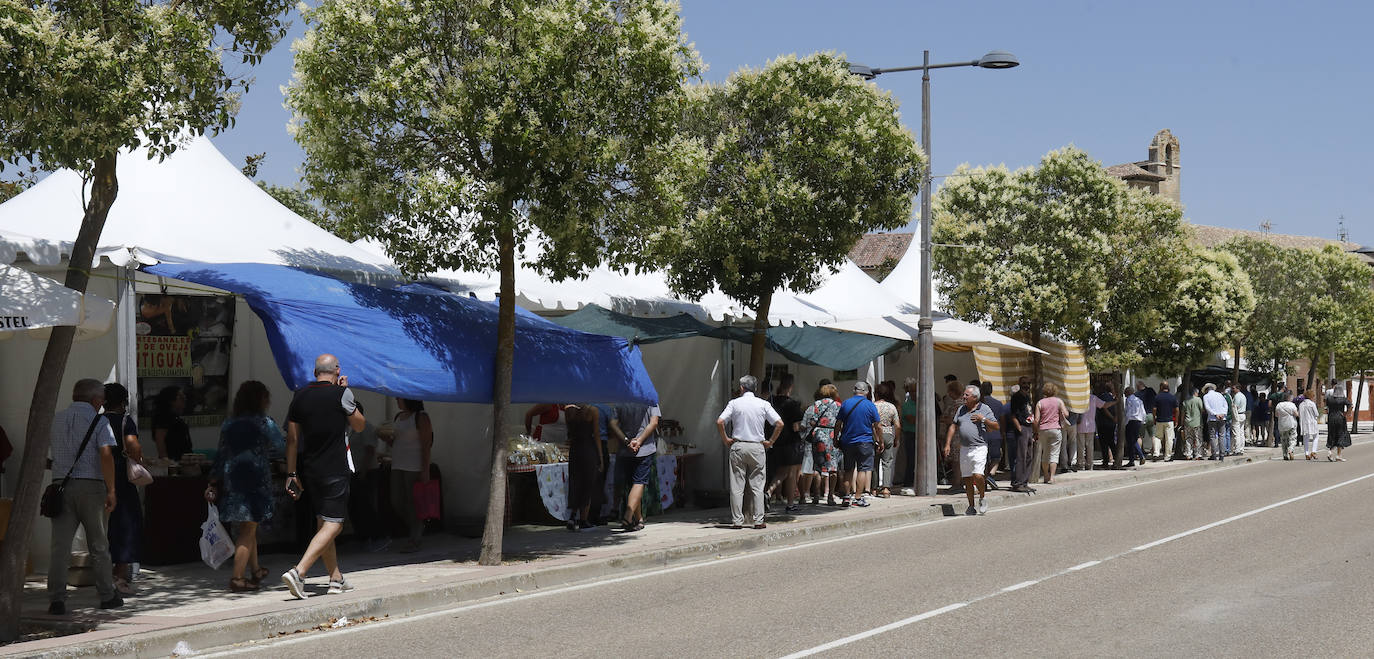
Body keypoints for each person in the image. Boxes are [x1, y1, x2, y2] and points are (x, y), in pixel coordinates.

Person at [281, 353, 367, 600]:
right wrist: (348, 395)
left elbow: (292, 439)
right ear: (337, 371)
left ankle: (335, 578)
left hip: (310, 470)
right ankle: (299, 572)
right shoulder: (342, 394)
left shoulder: (299, 396)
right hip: (335, 469)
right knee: (334, 524)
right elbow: (360, 425)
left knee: (323, 523)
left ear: (315, 372)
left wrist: (291, 473)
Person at [47, 379, 121, 615]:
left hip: (60, 486)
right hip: (92, 487)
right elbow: (106, 454)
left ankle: (56, 599)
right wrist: (112, 489)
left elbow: (47, 456)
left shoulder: (56, 419)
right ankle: (107, 595)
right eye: (102, 400)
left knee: (60, 547)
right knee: (99, 544)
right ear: (96, 399)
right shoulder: (100, 421)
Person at [207, 381, 283, 591]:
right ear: (261, 400)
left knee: (248, 526)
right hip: (256, 480)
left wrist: (212, 481)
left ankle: (256, 570)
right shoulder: (265, 423)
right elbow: (281, 446)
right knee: (248, 530)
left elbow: (221, 453)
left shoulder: (229, 424)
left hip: (233, 479)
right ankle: (238, 577)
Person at [717, 376, 781, 529]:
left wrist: (726, 439)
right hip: (757, 446)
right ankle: (759, 520)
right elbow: (779, 423)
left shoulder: (734, 403)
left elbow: (720, 421)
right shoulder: (763, 404)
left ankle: (737, 521)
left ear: (741, 388)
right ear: (755, 388)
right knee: (758, 486)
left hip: (738, 445)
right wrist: (770, 441)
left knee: (737, 486)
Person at [101, 383, 144, 596]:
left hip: (97, 477)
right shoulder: (125, 421)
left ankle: (104, 575)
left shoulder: (97, 421)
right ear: (123, 401)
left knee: (102, 528)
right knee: (126, 525)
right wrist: (138, 457)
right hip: (120, 478)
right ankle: (119, 575)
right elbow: (133, 447)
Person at [386, 398, 433, 553]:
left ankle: (415, 537)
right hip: (397, 464)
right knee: (396, 500)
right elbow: (396, 441)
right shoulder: (398, 416)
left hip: (414, 465)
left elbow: (426, 445)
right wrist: (387, 439)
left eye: (399, 398)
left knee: (413, 502)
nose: (397, 401)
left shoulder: (421, 417)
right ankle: (417, 527)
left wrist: (425, 469)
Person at [944, 385, 1000, 515]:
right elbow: (953, 426)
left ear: (975, 397)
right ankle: (971, 506)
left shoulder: (984, 409)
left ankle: (982, 497)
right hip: (964, 448)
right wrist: (947, 444)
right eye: (964, 394)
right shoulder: (961, 409)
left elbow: (996, 426)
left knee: (978, 475)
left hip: (979, 447)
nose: (964, 397)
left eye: (966, 395)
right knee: (967, 478)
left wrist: (983, 419)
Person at [610, 402, 661, 531]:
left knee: (633, 484)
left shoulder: (621, 400)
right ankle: (628, 517)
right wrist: (639, 440)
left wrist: (626, 440)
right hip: (645, 449)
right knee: (639, 483)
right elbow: (654, 422)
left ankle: (639, 519)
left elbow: (613, 424)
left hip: (625, 450)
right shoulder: (650, 400)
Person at [347, 402, 389, 552]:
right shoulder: (352, 429)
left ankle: (378, 537)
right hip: (355, 472)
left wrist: (363, 472)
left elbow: (370, 450)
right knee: (355, 506)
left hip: (366, 472)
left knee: (366, 506)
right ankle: (363, 537)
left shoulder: (365, 427)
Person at [835, 381, 882, 508]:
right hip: (865, 442)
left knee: (848, 470)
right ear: (866, 392)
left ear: (854, 391)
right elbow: (878, 426)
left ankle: (846, 497)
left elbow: (838, 423)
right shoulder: (870, 405)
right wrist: (880, 441)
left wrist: (835, 438)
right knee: (862, 470)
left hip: (847, 441)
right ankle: (857, 498)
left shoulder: (846, 403)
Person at [764, 375, 805, 510]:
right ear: (791, 387)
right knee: (791, 473)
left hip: (774, 440)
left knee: (782, 471)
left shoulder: (771, 401)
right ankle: (790, 503)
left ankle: (768, 492)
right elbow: (796, 426)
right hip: (790, 441)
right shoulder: (792, 404)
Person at [801, 383, 842, 505]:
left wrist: (821, 426)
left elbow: (812, 422)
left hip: (818, 436)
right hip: (833, 435)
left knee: (818, 467)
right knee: (833, 467)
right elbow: (840, 422)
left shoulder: (817, 404)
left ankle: (816, 496)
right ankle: (830, 496)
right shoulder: (838, 405)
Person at [563, 404, 603, 531]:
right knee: (588, 483)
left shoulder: (568, 410)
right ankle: (583, 519)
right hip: (588, 448)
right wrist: (601, 457)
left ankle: (572, 516)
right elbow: (596, 435)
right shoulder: (592, 410)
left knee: (575, 481)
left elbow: (570, 432)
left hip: (575, 449)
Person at [1034, 383, 1068, 484]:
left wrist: (1035, 431)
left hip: (1043, 430)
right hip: (1055, 429)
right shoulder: (1059, 401)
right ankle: (1052, 477)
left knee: (1045, 454)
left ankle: (1045, 475)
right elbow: (1066, 414)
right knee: (1054, 454)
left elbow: (1036, 419)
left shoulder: (1040, 403)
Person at [873, 381, 902, 498]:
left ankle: (874, 488)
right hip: (889, 433)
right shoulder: (892, 407)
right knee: (887, 462)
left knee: (875, 462)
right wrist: (896, 439)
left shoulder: (873, 406)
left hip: (875, 434)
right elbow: (898, 425)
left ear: (877, 394)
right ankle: (886, 488)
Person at [1007, 376, 1035, 493]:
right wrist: (1019, 428)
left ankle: (1025, 482)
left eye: (1028, 383)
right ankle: (1018, 483)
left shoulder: (1028, 397)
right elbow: (1013, 414)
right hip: (1022, 428)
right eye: (1024, 383)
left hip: (1029, 427)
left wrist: (1033, 431)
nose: (1026, 385)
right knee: (1021, 457)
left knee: (1029, 456)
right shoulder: (1016, 397)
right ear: (1019, 384)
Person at [151, 385, 192, 460]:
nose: (184, 399)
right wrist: (167, 462)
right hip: (174, 462)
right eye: (180, 397)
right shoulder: (163, 419)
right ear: (171, 401)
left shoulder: (176, 418)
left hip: (185, 461)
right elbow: (160, 442)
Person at [978, 381, 1005, 488]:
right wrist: (1002, 433)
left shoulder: (978, 404)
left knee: (983, 459)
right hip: (995, 434)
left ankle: (983, 481)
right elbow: (1002, 420)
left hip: (981, 434)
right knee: (996, 457)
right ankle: (990, 474)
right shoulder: (998, 403)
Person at [938, 379, 963, 487]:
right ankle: (960, 482)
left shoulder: (956, 404)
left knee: (956, 462)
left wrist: (942, 419)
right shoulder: (965, 403)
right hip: (963, 436)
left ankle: (957, 483)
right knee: (960, 461)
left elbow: (953, 421)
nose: (948, 393)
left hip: (956, 436)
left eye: (949, 391)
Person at [1076, 387, 1105, 471]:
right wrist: (1115, 402)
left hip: (1080, 425)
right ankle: (1089, 465)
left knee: (1081, 446)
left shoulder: (1078, 398)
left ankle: (1081, 464)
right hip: (1091, 426)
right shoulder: (1093, 398)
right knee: (1090, 446)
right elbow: (1104, 405)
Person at [1122, 385, 1148, 468]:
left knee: (1130, 441)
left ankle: (1136, 458)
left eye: (1125, 392)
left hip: (1131, 421)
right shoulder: (1139, 400)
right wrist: (1143, 421)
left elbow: (1128, 412)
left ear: (1128, 393)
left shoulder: (1128, 400)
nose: (1124, 394)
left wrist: (1125, 422)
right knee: (1134, 439)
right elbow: (1143, 412)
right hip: (1138, 421)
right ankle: (1137, 457)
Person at [1325, 382, 1351, 461]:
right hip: (1340, 418)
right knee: (1340, 435)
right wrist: (1346, 413)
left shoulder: (1329, 398)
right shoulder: (1343, 399)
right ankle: (1338, 455)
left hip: (1331, 418)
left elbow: (1326, 408)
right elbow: (1350, 405)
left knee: (1332, 434)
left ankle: (1330, 451)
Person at [899, 378, 918, 489]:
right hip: (910, 434)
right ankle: (908, 481)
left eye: (915, 391)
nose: (914, 394)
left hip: (921, 435)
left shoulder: (923, 404)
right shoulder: (906, 405)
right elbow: (911, 420)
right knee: (911, 459)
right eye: (912, 392)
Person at [1202, 384, 1229, 461]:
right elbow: (1225, 405)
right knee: (1222, 436)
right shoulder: (1220, 395)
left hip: (1212, 418)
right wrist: (1223, 413)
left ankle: (1214, 454)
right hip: (1222, 417)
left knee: (1213, 436)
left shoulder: (1206, 396)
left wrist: (1215, 414)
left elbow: (1207, 407)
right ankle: (1222, 454)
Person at [1153, 382, 1178, 461]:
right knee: (1169, 438)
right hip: (1169, 420)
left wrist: (1154, 418)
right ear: (1168, 387)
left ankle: (1156, 453)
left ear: (1161, 387)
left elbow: (1154, 409)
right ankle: (1167, 456)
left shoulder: (1157, 397)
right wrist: (1176, 420)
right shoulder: (1172, 397)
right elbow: (1177, 410)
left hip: (1159, 420)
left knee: (1158, 437)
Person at [1273, 392, 1299, 460]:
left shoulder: (1279, 405)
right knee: (1293, 438)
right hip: (1291, 423)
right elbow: (1296, 414)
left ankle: (1285, 454)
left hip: (1282, 424)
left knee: (1284, 440)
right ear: (1289, 398)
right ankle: (1290, 449)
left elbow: (1276, 415)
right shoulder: (1292, 405)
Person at [1182, 386, 1205, 460]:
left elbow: (1183, 413)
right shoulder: (1198, 400)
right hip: (1197, 422)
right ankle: (1198, 454)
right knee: (1198, 438)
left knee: (1188, 439)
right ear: (1195, 393)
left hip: (1187, 422)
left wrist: (1182, 422)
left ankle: (1189, 454)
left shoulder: (1185, 401)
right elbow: (1202, 409)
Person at [1298, 389, 1320, 460]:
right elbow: (1316, 414)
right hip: (1312, 422)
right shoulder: (1312, 404)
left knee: (1305, 438)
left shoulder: (1301, 404)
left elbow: (1299, 414)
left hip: (1304, 423)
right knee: (1315, 436)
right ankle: (1313, 451)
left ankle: (1306, 453)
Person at [1230, 383, 1248, 454]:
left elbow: (1235, 407)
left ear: (1237, 388)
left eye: (1234, 388)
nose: (1232, 390)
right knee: (1241, 433)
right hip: (1243, 414)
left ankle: (1237, 449)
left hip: (1238, 414)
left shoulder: (1237, 396)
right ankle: (1241, 448)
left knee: (1236, 433)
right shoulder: (1243, 395)